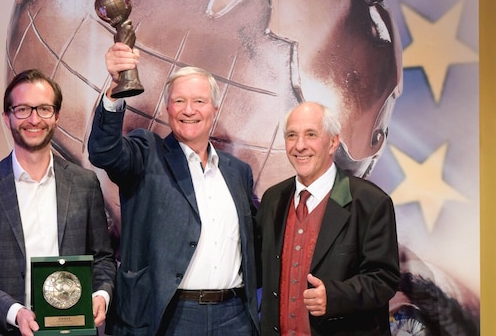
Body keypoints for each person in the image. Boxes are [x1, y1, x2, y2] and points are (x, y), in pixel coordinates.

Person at [87, 42, 260, 335]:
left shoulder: (237, 171)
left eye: (199, 102)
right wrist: (116, 89)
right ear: (167, 108)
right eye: (179, 101)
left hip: (234, 316)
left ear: (215, 109)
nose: (188, 110)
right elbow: (104, 151)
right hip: (168, 315)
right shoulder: (145, 153)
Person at [0, 69, 116, 336]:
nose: (34, 119)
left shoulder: (84, 183)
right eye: (23, 109)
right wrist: (15, 312)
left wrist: (101, 294)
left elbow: (103, 258)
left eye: (43, 109)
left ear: (56, 117)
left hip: (72, 329)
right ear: (7, 118)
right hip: (4, 329)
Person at [255, 102, 400, 335]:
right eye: (292, 136)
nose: (299, 146)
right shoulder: (273, 199)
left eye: (311, 135)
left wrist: (334, 297)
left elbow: (384, 279)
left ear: (333, 142)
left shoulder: (370, 202)